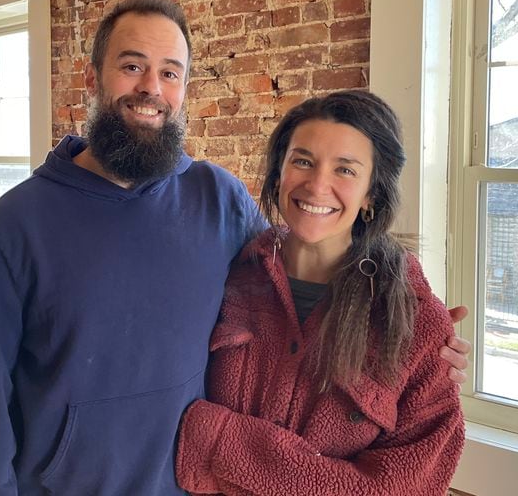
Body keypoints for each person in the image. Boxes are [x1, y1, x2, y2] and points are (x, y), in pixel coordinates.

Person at [0, 0, 469, 495]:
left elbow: (296, 274)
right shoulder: (16, 225)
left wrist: (407, 322)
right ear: (91, 78)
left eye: (170, 72)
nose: (152, 87)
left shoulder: (216, 197)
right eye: (132, 65)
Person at [175, 91, 465, 495]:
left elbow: (408, 484)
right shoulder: (230, 276)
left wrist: (218, 441)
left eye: (345, 170)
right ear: (278, 173)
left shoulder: (415, 323)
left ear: (371, 195)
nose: (317, 185)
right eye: (303, 161)